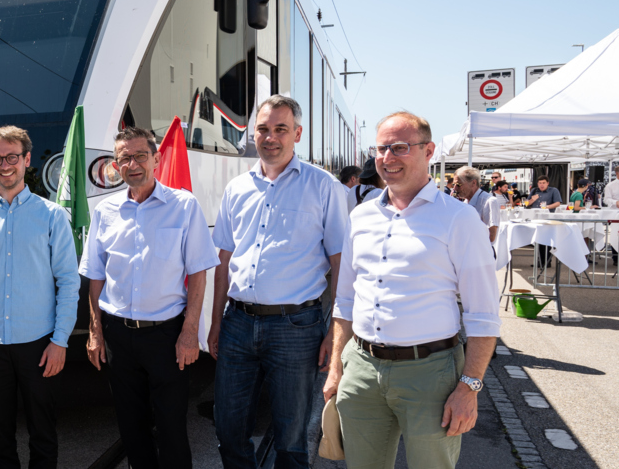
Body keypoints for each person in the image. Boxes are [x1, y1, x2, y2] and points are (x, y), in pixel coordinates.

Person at [324, 111, 500, 469]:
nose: (388, 158)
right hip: (361, 367)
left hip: (430, 374)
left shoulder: (460, 219)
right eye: (381, 148)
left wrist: (469, 388)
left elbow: (483, 316)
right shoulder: (360, 216)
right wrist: (336, 367)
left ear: (428, 150)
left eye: (400, 148)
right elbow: (345, 300)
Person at [208, 95, 348, 468]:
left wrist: (335, 333)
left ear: (297, 133)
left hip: (296, 327)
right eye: (263, 129)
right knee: (229, 429)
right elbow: (223, 258)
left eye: (280, 130)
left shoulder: (324, 187)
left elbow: (341, 263)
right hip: (237, 323)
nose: (270, 137)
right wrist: (216, 321)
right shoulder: (236, 189)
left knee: (290, 437)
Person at [79, 126, 220, 469]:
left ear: (156, 159)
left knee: (172, 427)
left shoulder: (183, 206)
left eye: (141, 155)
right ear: (115, 165)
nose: (133, 164)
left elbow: (199, 274)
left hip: (166, 336)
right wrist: (96, 333)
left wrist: (190, 333)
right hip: (118, 336)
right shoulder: (105, 211)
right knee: (132, 427)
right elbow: (95, 278)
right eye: (125, 158)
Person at [0, 126, 80, 469]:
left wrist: (60, 341)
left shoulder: (53, 215)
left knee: (43, 430)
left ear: (27, 160)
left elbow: (69, 282)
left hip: (39, 344)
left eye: (12, 156)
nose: (5, 164)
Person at [454, 166, 500, 243]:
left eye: (458, 184)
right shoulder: (465, 202)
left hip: (481, 252)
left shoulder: (490, 201)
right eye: (454, 184)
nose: (455, 188)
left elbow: (491, 237)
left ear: (473, 183)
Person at [525, 175, 562, 268]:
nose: (541, 185)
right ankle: (540, 261)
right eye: (540, 183)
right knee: (537, 239)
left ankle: (546, 261)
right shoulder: (534, 191)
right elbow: (526, 204)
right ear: (537, 184)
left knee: (546, 240)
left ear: (547, 183)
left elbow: (558, 203)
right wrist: (532, 199)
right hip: (535, 218)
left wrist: (547, 207)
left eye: (543, 183)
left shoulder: (553, 190)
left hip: (547, 218)